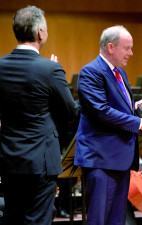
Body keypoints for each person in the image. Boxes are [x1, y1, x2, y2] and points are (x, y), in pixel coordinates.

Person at [74, 25, 142, 225]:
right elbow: (101, 112)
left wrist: (136, 106)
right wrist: (140, 123)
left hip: (119, 160)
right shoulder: (91, 72)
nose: (131, 53)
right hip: (101, 161)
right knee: (99, 220)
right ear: (111, 47)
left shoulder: (119, 73)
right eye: (127, 48)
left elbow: (118, 108)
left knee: (116, 221)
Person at [0, 5, 79, 225]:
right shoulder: (50, 70)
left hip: (9, 160)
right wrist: (53, 78)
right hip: (41, 164)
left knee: (12, 218)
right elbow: (70, 112)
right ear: (40, 33)